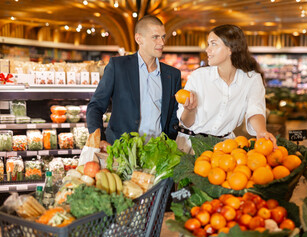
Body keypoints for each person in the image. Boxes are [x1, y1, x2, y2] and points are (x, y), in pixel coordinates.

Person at [176, 24, 277, 153]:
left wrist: (261, 131)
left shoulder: (251, 79)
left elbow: (255, 109)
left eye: (213, 44)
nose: (207, 50)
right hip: (189, 146)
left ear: (230, 49)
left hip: (225, 149)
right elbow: (186, 123)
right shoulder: (199, 76)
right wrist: (189, 110)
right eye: (208, 44)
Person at [86, 15, 181, 150]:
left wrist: (168, 142)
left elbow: (174, 115)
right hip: (121, 151)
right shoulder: (118, 66)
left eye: (163, 36)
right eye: (155, 37)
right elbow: (96, 106)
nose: (162, 42)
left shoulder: (173, 75)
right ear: (139, 39)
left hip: (158, 153)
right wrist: (99, 139)